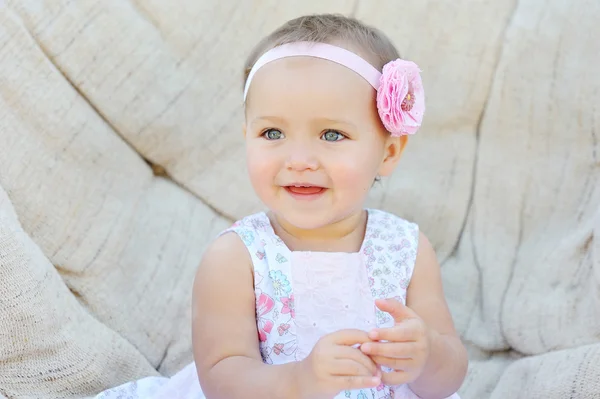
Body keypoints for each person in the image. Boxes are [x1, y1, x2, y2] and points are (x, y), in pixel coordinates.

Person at [95, 13, 468, 399]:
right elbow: (222, 378)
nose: (300, 159)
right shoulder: (236, 257)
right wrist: (299, 381)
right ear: (246, 136)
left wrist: (427, 357)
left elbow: (450, 376)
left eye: (331, 134)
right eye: (272, 132)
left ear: (388, 152)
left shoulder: (406, 249)